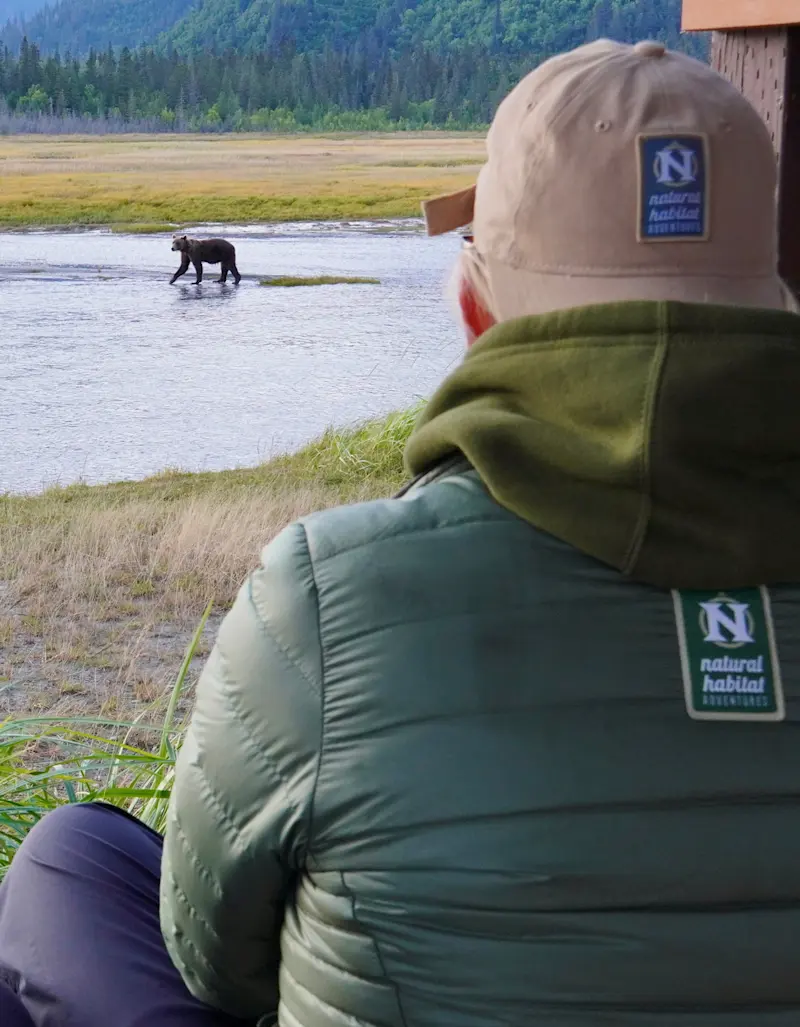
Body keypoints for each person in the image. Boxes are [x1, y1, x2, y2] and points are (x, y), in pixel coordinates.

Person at [2, 36, 800, 1027]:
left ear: (471, 309)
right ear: (776, 303)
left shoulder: (328, 594)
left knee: (70, 856)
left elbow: (213, 962)